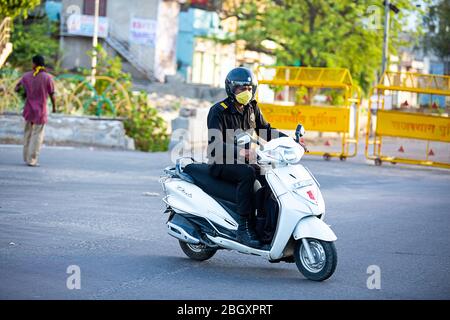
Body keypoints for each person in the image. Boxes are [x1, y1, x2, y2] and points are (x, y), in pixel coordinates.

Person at [207, 67, 306, 248]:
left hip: (246, 158)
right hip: (220, 161)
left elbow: (266, 130)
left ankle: (265, 223)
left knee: (269, 174)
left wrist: (292, 142)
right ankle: (243, 228)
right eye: (241, 88)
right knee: (247, 174)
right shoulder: (218, 111)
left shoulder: (252, 107)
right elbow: (215, 145)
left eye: (249, 88)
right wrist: (241, 152)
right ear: (231, 89)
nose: (246, 92)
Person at [15, 55, 56, 167]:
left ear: (34, 64)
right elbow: (52, 94)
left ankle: (26, 157)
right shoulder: (48, 78)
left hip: (29, 109)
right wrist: (54, 107)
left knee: (28, 133)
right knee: (37, 135)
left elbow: (16, 87)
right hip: (40, 111)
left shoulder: (26, 76)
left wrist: (24, 91)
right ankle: (32, 160)